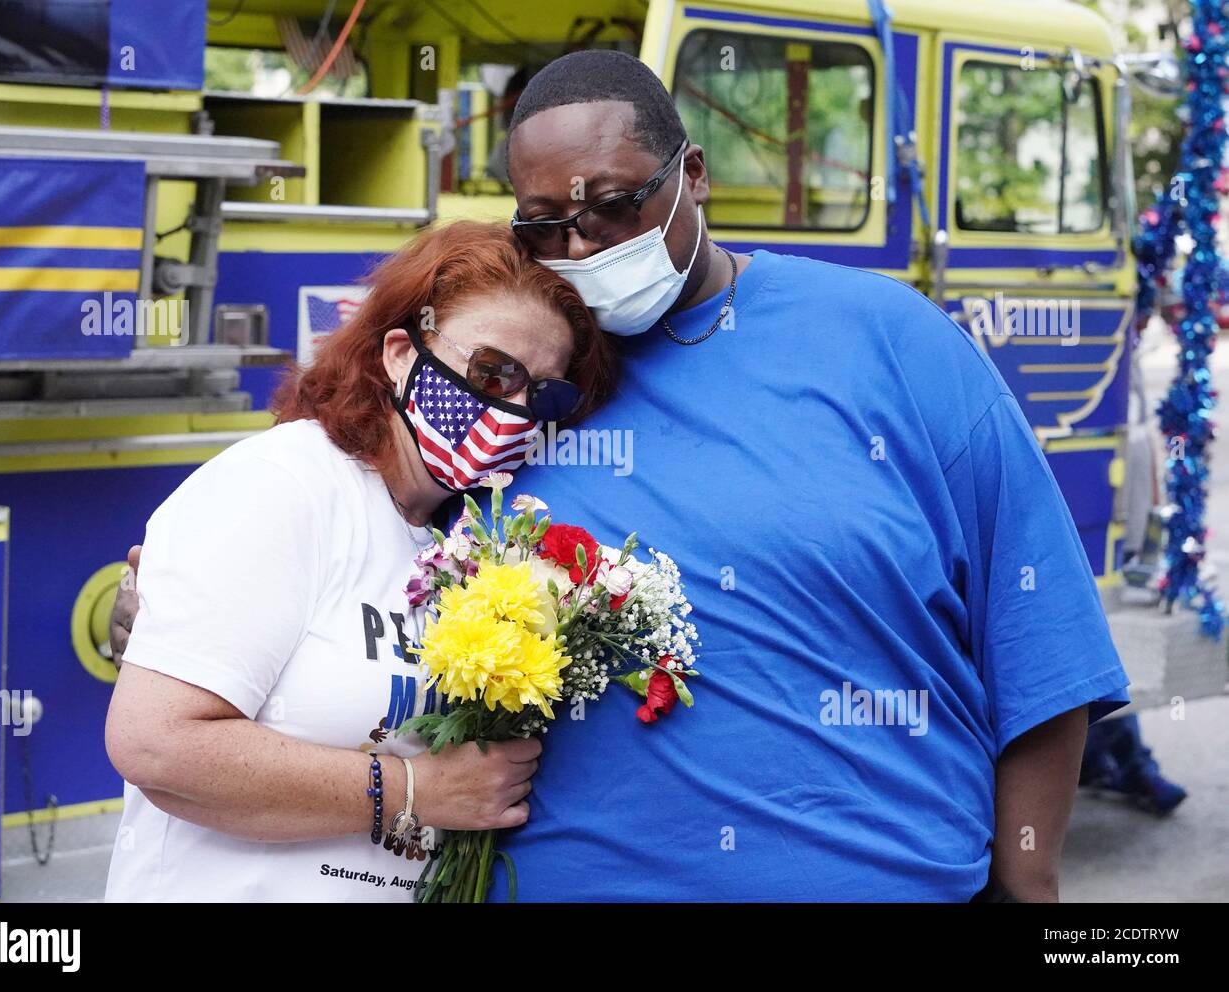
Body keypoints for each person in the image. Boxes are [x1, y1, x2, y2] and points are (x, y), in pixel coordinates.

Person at [114, 50, 1130, 903]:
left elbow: (1038, 640)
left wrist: (1025, 885)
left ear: (691, 175)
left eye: (609, 207)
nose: (582, 243)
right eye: (545, 220)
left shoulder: (892, 340)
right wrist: (169, 604)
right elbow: (355, 496)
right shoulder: (535, 383)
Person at [103, 221, 616, 901]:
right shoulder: (287, 482)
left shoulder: (465, 546)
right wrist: (415, 791)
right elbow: (157, 747)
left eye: (544, 395)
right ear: (401, 354)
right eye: (493, 371)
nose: (513, 408)